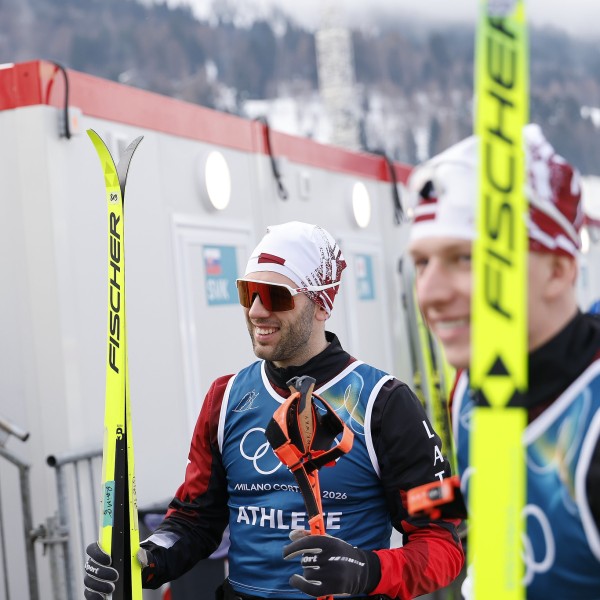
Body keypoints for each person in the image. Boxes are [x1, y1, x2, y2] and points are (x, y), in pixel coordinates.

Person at [84, 221, 464, 600]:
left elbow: (444, 545)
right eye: (248, 292)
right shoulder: (225, 397)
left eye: (275, 296)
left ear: (321, 304)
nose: (256, 310)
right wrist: (144, 559)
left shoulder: (387, 402)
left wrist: (366, 570)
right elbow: (194, 520)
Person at [407, 124, 600, 598]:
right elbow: (492, 489)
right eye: (422, 263)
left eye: (465, 258)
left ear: (558, 270)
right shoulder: (471, 391)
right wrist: (396, 502)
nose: (430, 293)